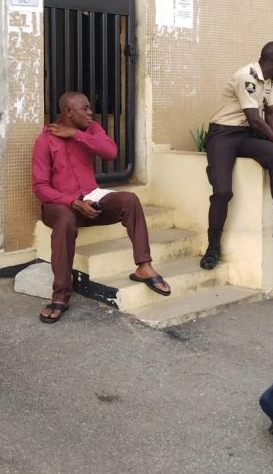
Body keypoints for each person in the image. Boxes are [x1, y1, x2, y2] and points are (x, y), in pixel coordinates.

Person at [31, 92, 170, 322]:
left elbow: (111, 152)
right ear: (68, 111)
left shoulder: (90, 129)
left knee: (129, 200)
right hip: (60, 206)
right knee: (65, 219)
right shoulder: (45, 140)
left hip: (92, 199)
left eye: (90, 108)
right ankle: (61, 294)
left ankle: (144, 266)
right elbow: (40, 187)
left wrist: (76, 135)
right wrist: (73, 202)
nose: (90, 112)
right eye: (84, 109)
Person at [200, 42, 273, 270]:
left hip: (244, 134)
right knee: (223, 192)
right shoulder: (246, 76)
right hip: (222, 135)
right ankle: (212, 247)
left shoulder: (268, 81)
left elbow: (272, 113)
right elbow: (256, 118)